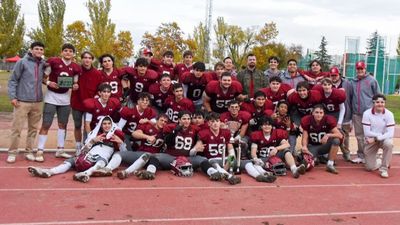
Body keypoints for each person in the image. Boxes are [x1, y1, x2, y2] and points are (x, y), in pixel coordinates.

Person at [27, 116, 125, 183]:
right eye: (104, 124)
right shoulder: (94, 135)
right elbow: (84, 150)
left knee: (101, 162)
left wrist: (120, 142)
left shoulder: (116, 136)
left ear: (112, 125)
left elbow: (124, 153)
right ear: (101, 125)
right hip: (88, 156)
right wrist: (93, 141)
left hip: (101, 159)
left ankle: (86, 174)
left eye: (109, 123)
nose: (107, 125)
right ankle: (50, 172)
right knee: (71, 161)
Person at [35, 43, 82, 162]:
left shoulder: (75, 67)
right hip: (51, 96)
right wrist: (49, 83)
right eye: (65, 50)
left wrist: (75, 86)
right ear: (62, 52)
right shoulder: (54, 61)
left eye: (70, 51)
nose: (68, 53)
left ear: (73, 54)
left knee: (63, 124)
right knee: (46, 123)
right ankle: (40, 150)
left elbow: (75, 82)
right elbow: (44, 78)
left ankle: (60, 149)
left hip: (65, 98)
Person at [92, 114, 169, 180]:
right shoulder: (147, 126)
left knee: (148, 156)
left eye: (165, 122)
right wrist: (147, 136)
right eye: (161, 120)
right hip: (140, 153)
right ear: (157, 120)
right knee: (119, 154)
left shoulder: (166, 131)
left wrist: (149, 121)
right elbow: (134, 134)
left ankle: (127, 172)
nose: (163, 123)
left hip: (153, 159)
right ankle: (107, 169)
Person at [6, 41, 46, 163]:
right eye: (37, 49)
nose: (39, 51)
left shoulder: (43, 64)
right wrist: (13, 97)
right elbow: (13, 80)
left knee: (33, 129)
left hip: (38, 102)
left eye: (41, 49)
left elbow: (45, 78)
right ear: (31, 50)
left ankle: (29, 151)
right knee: (17, 128)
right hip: (22, 101)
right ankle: (12, 152)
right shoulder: (22, 62)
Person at [191, 112, 242, 184]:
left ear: (220, 122)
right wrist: (195, 150)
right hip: (212, 160)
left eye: (217, 121)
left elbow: (232, 153)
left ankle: (259, 174)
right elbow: (192, 152)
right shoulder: (204, 133)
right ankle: (230, 177)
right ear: (208, 123)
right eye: (212, 121)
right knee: (210, 161)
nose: (215, 123)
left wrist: (226, 167)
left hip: (225, 160)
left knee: (239, 160)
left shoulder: (226, 133)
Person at [70, 51, 103, 152]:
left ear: (92, 60)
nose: (87, 60)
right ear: (82, 59)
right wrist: (72, 85)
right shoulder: (76, 71)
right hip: (77, 102)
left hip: (90, 104)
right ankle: (78, 145)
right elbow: (68, 82)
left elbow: (100, 88)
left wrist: (97, 96)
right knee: (77, 125)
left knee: (87, 125)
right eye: (85, 57)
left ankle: (86, 144)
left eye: (89, 58)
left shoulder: (97, 73)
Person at [349, 61, 380, 164]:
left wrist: (377, 111)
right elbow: (350, 97)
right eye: (358, 69)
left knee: (370, 135)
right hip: (356, 113)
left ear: (365, 69)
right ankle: (361, 155)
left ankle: (371, 155)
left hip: (369, 113)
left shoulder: (372, 80)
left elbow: (378, 96)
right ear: (356, 69)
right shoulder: (352, 81)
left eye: (362, 68)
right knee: (359, 135)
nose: (360, 70)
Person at [300, 105, 343, 174]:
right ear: (312, 113)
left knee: (336, 140)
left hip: (324, 146)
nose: (319, 114)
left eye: (321, 113)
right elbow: (305, 137)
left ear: (323, 114)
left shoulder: (328, 120)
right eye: (316, 112)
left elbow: (340, 135)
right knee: (307, 164)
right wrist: (304, 146)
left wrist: (328, 135)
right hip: (312, 146)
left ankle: (330, 164)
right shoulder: (307, 120)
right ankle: (312, 161)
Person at [362, 94, 395, 178]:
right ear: (373, 103)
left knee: (389, 144)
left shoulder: (389, 114)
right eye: (377, 102)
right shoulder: (366, 113)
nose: (380, 104)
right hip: (371, 139)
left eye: (382, 102)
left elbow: (390, 133)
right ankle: (379, 161)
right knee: (369, 167)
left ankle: (384, 169)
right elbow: (367, 132)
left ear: (385, 103)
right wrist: (378, 136)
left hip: (382, 139)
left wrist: (377, 138)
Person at [329, 67, 352, 161]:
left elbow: (351, 98)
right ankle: (330, 154)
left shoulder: (347, 83)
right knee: (333, 134)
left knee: (345, 135)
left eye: (335, 75)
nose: (334, 77)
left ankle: (346, 152)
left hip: (345, 112)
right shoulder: (327, 84)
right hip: (333, 113)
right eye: (332, 75)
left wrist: (351, 118)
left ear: (339, 75)